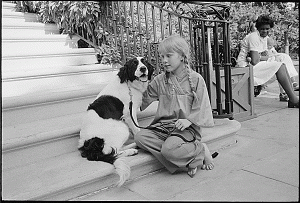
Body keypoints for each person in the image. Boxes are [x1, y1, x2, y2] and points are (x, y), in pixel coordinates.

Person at [134, 35, 215, 178]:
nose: (164, 60)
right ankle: (190, 158)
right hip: (163, 127)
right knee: (140, 137)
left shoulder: (196, 79)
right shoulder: (159, 80)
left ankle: (200, 149)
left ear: (182, 56)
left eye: (169, 56)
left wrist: (189, 120)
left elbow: (203, 106)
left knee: (168, 150)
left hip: (185, 128)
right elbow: (142, 99)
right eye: (162, 56)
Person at [236, 15, 299, 108]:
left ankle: (292, 97)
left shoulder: (264, 38)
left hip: (253, 64)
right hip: (245, 67)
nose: (265, 31)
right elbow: (255, 60)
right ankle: (293, 99)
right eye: (262, 29)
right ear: (257, 28)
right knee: (279, 66)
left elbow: (263, 56)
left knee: (283, 60)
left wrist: (263, 57)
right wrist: (263, 57)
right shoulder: (253, 37)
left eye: (267, 29)